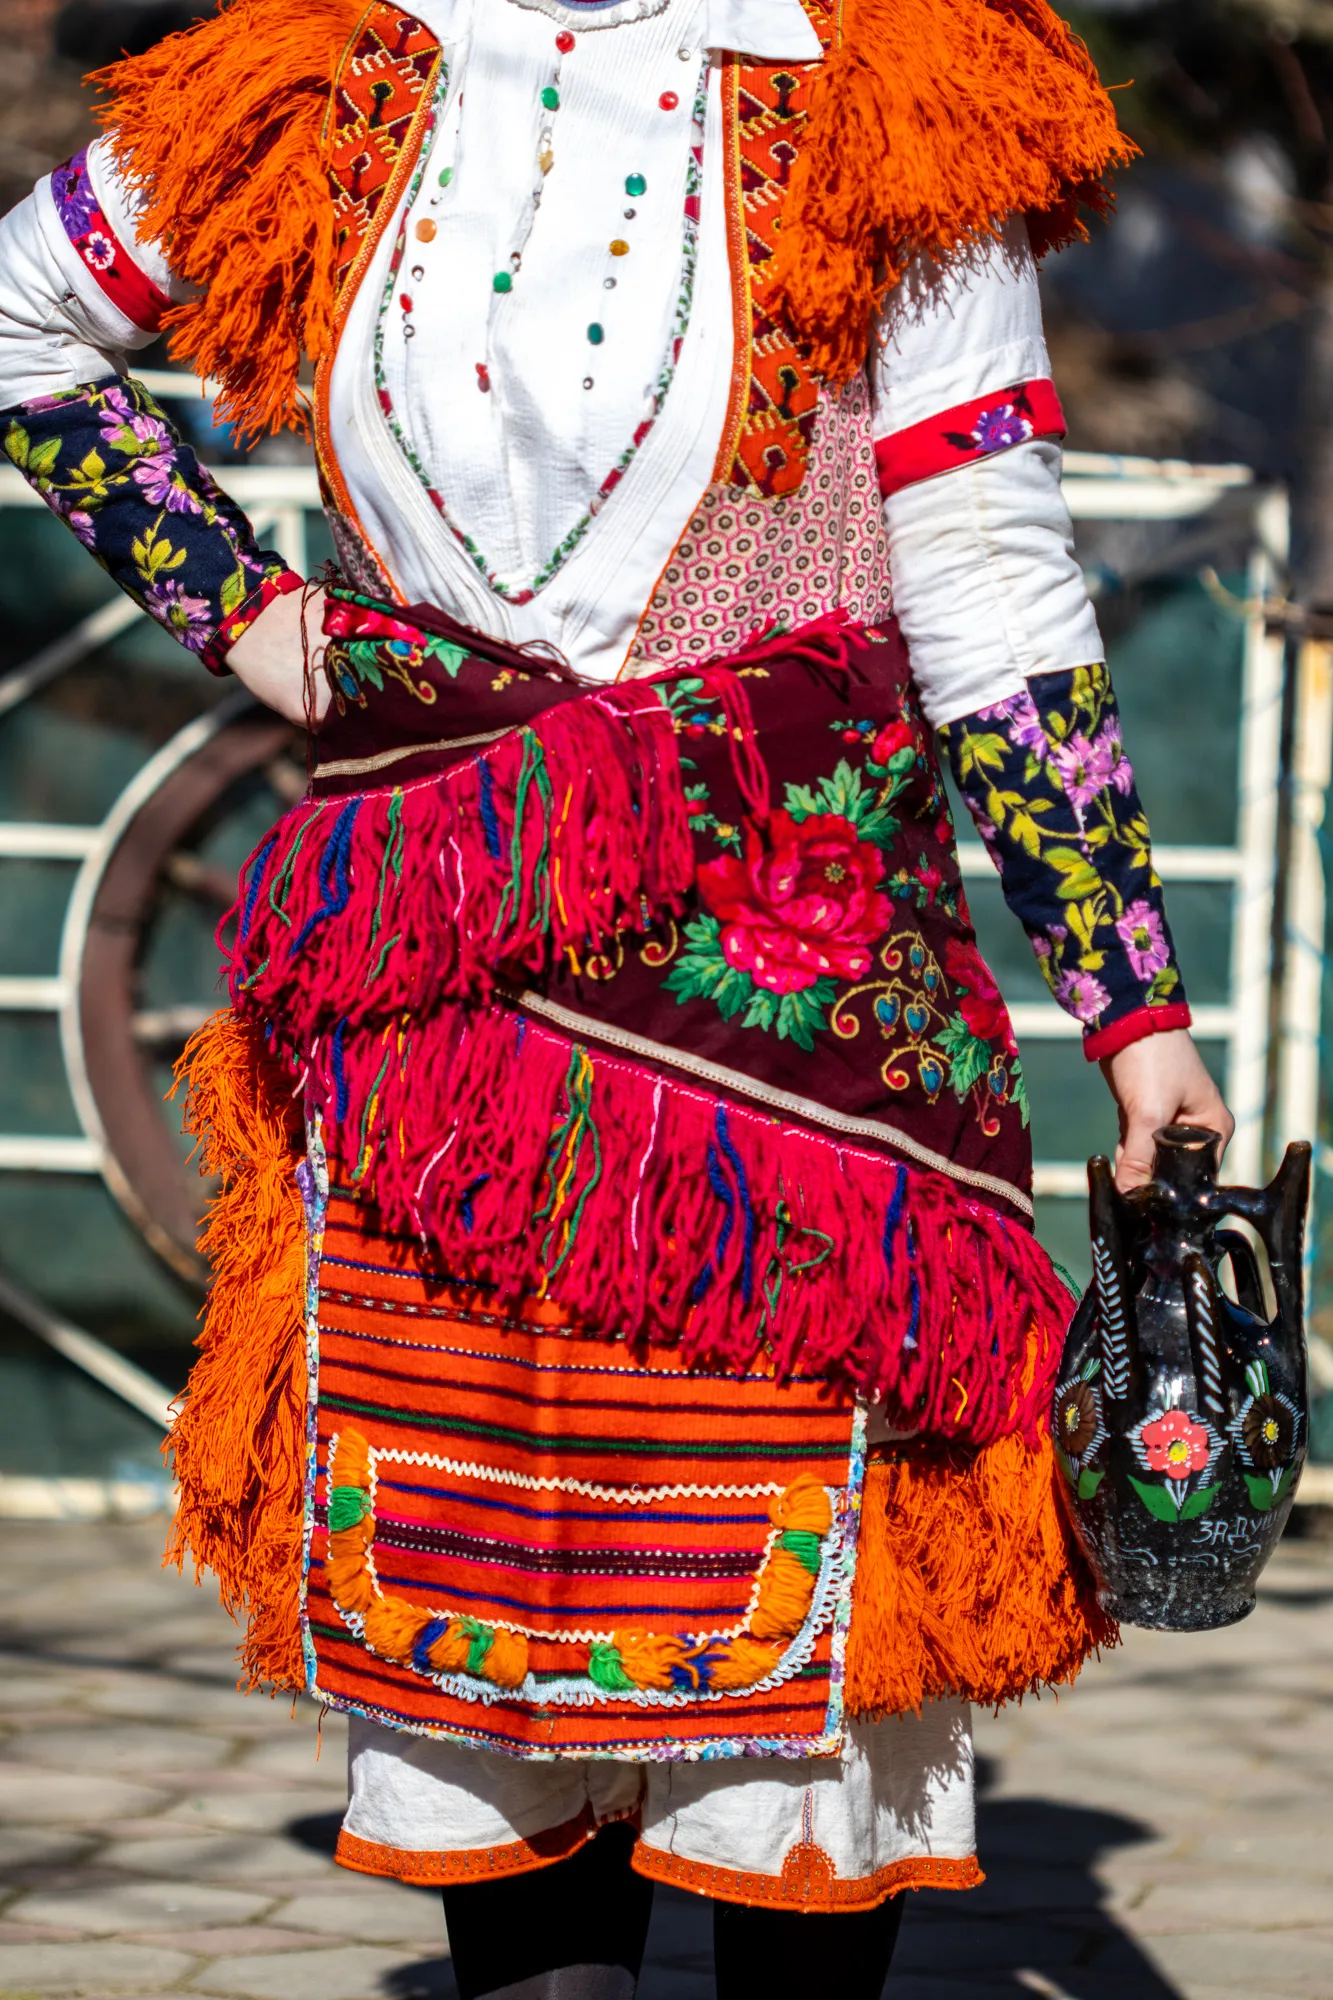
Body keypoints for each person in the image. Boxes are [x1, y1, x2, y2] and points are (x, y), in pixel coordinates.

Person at [0, 0, 1233, 1992]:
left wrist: (1133, 1003)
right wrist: (250, 616)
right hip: (436, 1013)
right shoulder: (313, 64)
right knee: (487, 1710)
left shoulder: (900, 83)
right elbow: (19, 318)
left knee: (787, 1731)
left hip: (796, 1056)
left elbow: (992, 579)